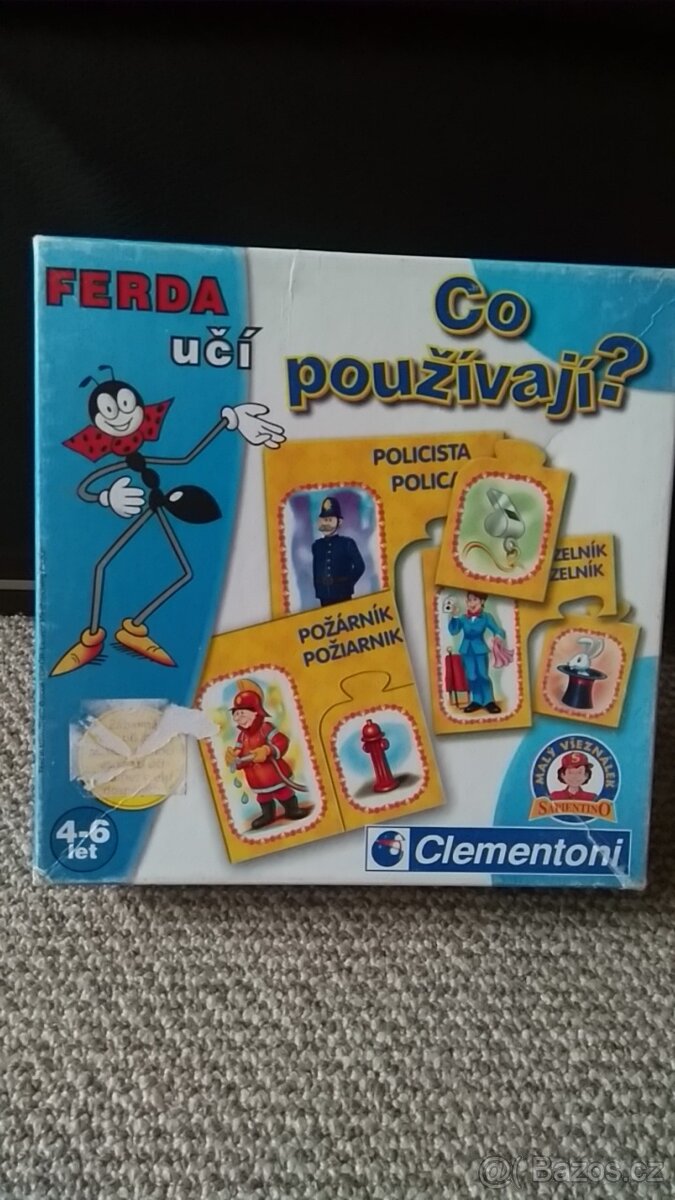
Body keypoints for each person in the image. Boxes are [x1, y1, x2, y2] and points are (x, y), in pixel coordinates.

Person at [225, 680, 308, 830]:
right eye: (235, 714)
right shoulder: (242, 737)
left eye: (241, 713)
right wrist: (233, 758)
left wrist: (267, 750)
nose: (238, 718)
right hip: (256, 779)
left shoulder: (266, 728)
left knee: (283, 792)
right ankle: (267, 815)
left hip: (274, 774)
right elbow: (239, 755)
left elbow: (281, 741)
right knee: (263, 797)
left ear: (255, 712)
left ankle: (292, 809)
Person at [445, 591, 506, 714]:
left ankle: (489, 701)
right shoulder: (463, 618)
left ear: (482, 602)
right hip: (466, 651)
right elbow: (453, 631)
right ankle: (477, 701)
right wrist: (454, 616)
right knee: (471, 677)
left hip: (480, 651)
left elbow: (498, 630)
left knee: (483, 675)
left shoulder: (486, 617)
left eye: (475, 600)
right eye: (469, 600)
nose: (472, 603)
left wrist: (498, 636)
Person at [311, 495, 365, 606]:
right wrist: (319, 589)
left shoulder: (347, 543)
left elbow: (360, 567)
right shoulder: (317, 546)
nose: (326, 523)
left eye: (330, 520)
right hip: (324, 596)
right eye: (324, 520)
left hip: (343, 595)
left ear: (339, 522)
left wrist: (347, 584)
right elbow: (316, 570)